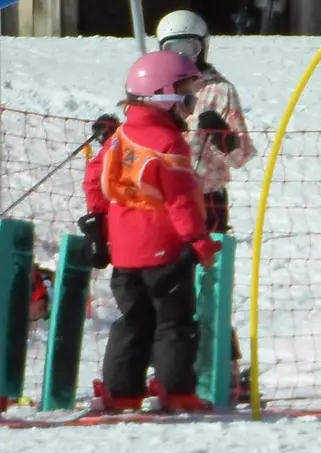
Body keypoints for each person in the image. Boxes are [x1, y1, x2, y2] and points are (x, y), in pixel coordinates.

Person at [82, 50, 219, 414]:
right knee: (173, 321)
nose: (189, 110)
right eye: (187, 99)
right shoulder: (168, 143)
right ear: (164, 96)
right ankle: (176, 390)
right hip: (165, 248)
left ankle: (122, 389)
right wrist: (197, 239)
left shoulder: (118, 137)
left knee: (134, 320)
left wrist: (98, 220)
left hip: (125, 252)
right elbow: (180, 199)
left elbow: (94, 178)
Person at [153, 10, 254, 235]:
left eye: (188, 48)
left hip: (207, 197)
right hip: (161, 196)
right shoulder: (156, 89)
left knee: (206, 264)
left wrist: (223, 137)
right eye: (173, 49)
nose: (181, 57)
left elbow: (241, 157)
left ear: (203, 47)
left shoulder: (221, 91)